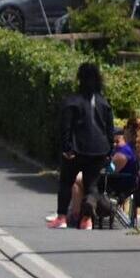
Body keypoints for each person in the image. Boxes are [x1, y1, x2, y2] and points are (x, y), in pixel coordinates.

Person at [48, 63, 114, 230]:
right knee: (91, 184)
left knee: (66, 182)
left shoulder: (72, 102)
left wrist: (66, 148)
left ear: (80, 79)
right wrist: (109, 151)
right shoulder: (104, 103)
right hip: (99, 149)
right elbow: (109, 129)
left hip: (77, 149)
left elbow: (66, 128)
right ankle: (87, 220)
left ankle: (62, 217)